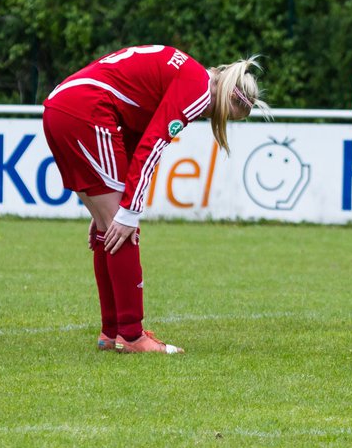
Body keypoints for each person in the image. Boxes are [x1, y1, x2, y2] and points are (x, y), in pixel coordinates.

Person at [43, 45, 264, 354]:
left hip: (61, 106)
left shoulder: (188, 73)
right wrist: (130, 209)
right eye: (221, 115)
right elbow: (153, 144)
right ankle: (132, 336)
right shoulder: (199, 89)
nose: (208, 116)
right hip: (86, 111)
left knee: (109, 228)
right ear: (227, 98)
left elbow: (135, 134)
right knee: (124, 229)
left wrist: (118, 203)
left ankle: (112, 332)